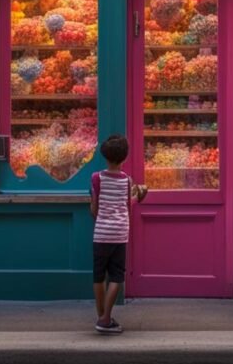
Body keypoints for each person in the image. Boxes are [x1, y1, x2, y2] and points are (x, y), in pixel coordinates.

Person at [90, 135, 147, 334]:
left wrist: (100, 216)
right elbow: (126, 205)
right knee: (116, 276)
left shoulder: (96, 178)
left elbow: (94, 208)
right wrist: (138, 195)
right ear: (124, 158)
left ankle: (101, 316)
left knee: (98, 276)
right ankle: (106, 318)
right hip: (120, 232)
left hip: (101, 233)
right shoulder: (126, 180)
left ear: (105, 156)